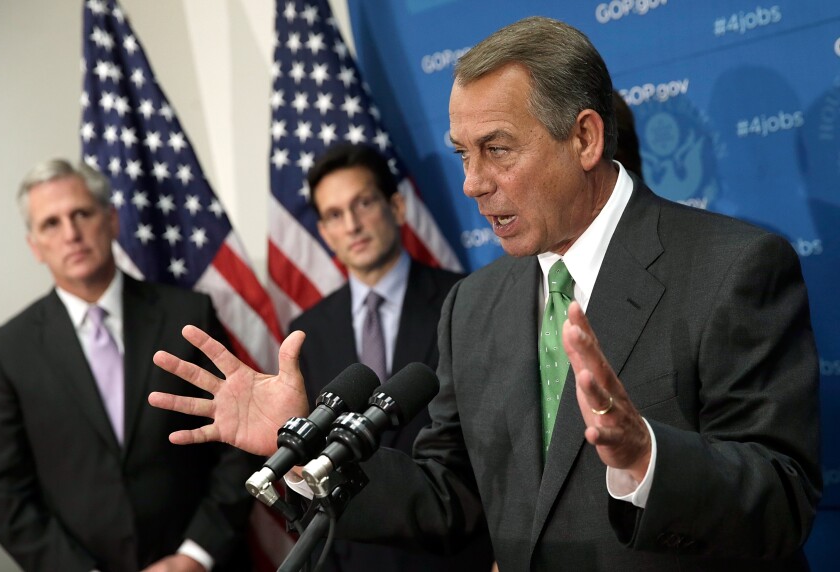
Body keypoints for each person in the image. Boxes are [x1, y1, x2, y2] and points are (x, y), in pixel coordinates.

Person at [149, 16, 821, 571]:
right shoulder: (473, 305)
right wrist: (302, 451)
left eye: (498, 150)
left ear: (584, 137)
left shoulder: (734, 268)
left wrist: (648, 461)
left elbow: (783, 501)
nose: (473, 183)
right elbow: (448, 499)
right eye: (463, 154)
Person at [0, 159, 257, 572]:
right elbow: (2, 493)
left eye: (81, 214)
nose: (71, 234)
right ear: (34, 246)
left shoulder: (188, 314)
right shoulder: (6, 351)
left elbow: (238, 441)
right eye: (51, 224)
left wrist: (195, 555)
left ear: (111, 220)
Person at [288, 142, 491, 571]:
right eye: (335, 215)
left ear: (396, 207)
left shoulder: (469, 301)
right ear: (324, 233)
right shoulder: (306, 332)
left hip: (452, 556)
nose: (353, 225)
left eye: (363, 203)